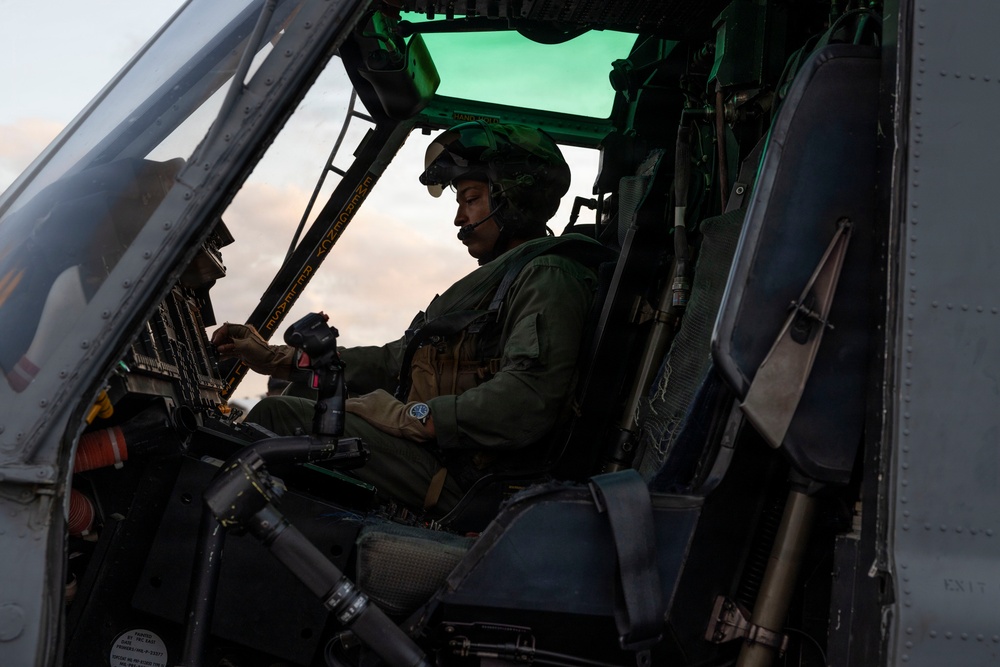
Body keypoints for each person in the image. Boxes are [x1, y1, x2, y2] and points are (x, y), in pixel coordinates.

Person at [212, 122, 608, 516]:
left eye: (470, 198)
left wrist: (412, 417)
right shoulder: (504, 281)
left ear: (514, 197)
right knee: (297, 397)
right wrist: (271, 358)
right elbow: (392, 362)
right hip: (447, 456)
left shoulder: (550, 276)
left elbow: (526, 400)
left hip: (470, 477)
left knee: (276, 419)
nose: (459, 218)